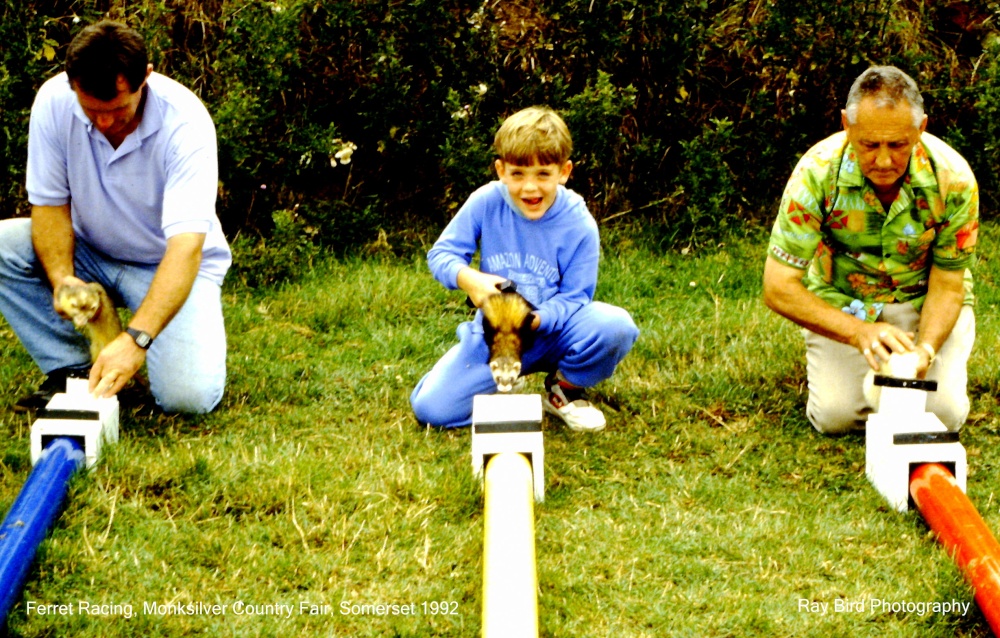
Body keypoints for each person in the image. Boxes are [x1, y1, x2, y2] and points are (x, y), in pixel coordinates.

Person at [0, 20, 231, 413]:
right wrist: (63, 280)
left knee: (187, 400)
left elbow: (186, 248)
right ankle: (73, 369)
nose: (104, 122)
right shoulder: (53, 102)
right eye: (91, 110)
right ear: (71, 84)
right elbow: (50, 207)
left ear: (146, 78)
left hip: (167, 264)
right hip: (92, 250)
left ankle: (125, 356)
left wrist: (136, 340)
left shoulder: (186, 124)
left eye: (117, 109)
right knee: (4, 244)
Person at [763, 65, 978, 435]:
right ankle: (846, 362)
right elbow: (778, 286)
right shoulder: (815, 173)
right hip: (844, 300)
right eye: (868, 145)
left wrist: (925, 351)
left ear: (920, 128)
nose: (883, 161)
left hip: (923, 301)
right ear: (847, 125)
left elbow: (948, 283)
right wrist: (857, 332)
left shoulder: (954, 179)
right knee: (836, 418)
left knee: (943, 419)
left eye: (897, 145)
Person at [410, 106, 639, 431]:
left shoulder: (579, 223)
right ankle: (494, 384)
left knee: (616, 326)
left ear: (564, 171)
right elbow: (442, 254)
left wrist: (536, 320)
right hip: (496, 336)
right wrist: (469, 279)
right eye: (518, 174)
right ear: (501, 170)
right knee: (431, 409)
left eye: (543, 174)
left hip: (555, 332)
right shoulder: (486, 201)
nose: (530, 188)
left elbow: (575, 298)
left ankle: (564, 390)